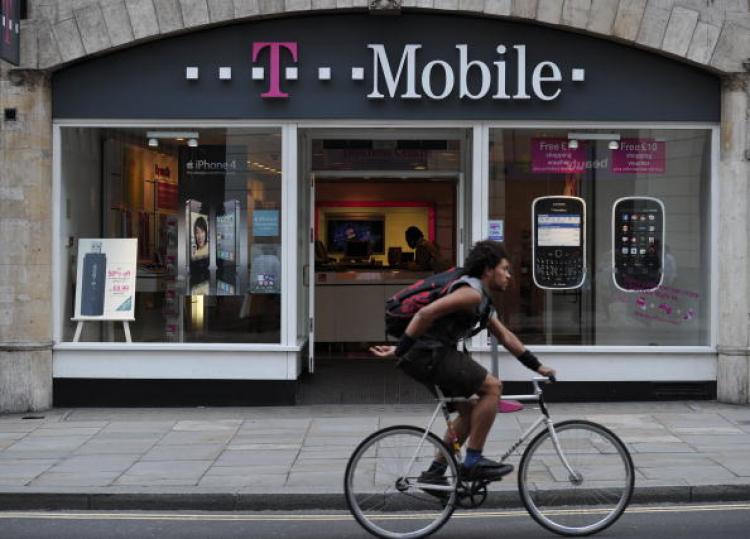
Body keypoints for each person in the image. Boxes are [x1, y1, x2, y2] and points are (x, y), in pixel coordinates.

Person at [371, 240, 556, 483]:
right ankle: (473, 461)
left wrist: (537, 366)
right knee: (493, 388)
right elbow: (425, 314)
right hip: (431, 355)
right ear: (489, 270)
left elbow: (505, 336)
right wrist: (401, 350)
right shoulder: (470, 293)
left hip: (428, 354)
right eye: (505, 268)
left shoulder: (481, 298)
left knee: (470, 413)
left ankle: (435, 473)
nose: (509, 275)